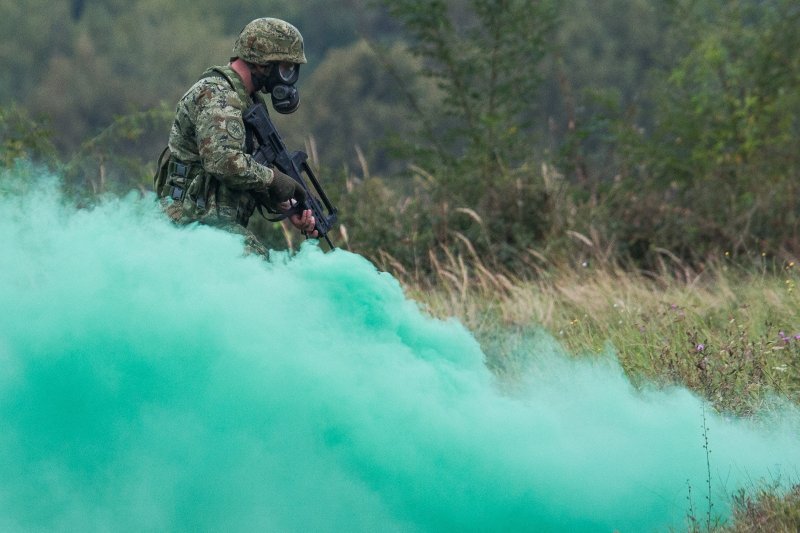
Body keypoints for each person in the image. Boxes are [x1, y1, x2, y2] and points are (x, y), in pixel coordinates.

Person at [156, 17, 317, 256]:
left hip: (214, 225)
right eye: (284, 68)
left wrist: (285, 204)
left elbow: (249, 168)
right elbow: (224, 162)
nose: (288, 78)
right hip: (189, 220)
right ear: (262, 63)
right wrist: (274, 180)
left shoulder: (247, 102)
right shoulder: (217, 96)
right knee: (259, 271)